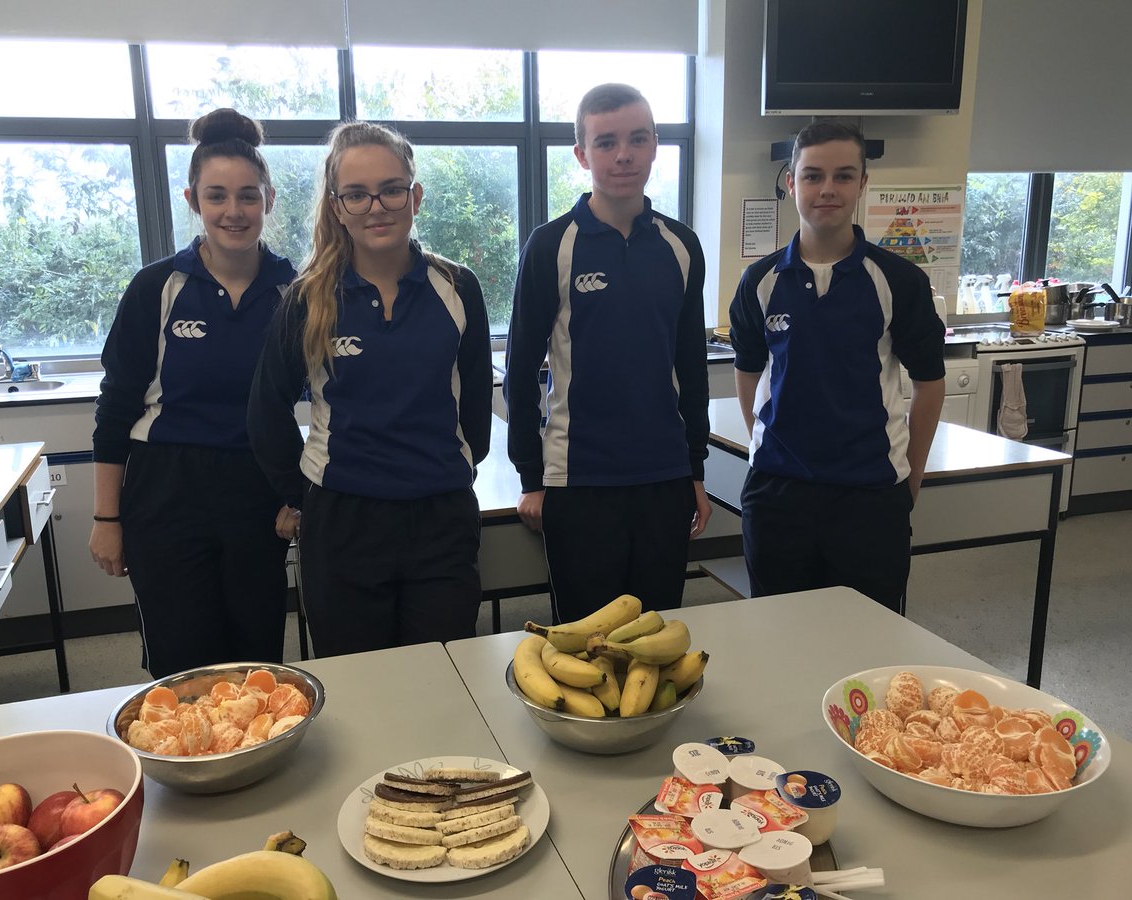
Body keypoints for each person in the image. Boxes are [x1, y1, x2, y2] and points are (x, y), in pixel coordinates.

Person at [247, 121, 492, 657]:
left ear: (415, 195)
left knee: (444, 675)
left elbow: (475, 405)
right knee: (358, 685)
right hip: (342, 525)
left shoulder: (457, 288)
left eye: (391, 189)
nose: (375, 206)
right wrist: (301, 494)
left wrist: (455, 466)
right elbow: (266, 415)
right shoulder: (307, 300)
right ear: (337, 207)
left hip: (441, 521)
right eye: (356, 194)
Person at [89, 109, 296, 677]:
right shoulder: (157, 286)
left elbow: (326, 401)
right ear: (192, 199)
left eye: (248, 196)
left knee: (256, 660)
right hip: (166, 489)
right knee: (181, 662)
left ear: (269, 199)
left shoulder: (294, 290)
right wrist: (107, 518)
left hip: (257, 489)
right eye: (217, 196)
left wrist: (297, 493)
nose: (234, 211)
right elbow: (116, 406)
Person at [504, 83, 711, 625]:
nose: (624, 154)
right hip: (579, 481)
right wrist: (530, 476)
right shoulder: (552, 245)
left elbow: (691, 366)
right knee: (585, 639)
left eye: (638, 139)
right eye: (607, 142)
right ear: (581, 154)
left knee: (655, 635)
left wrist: (696, 470)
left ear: (655, 145)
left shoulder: (681, 245)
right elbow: (520, 368)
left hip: (663, 478)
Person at [727, 120, 946, 613]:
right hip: (778, 496)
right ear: (792, 183)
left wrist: (912, 474)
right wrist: (764, 442)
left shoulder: (899, 280)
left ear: (863, 184)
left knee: (868, 642)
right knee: (778, 635)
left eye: (844, 176)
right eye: (813, 175)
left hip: (869, 497)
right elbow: (748, 371)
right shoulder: (759, 282)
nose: (828, 189)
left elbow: (930, 384)